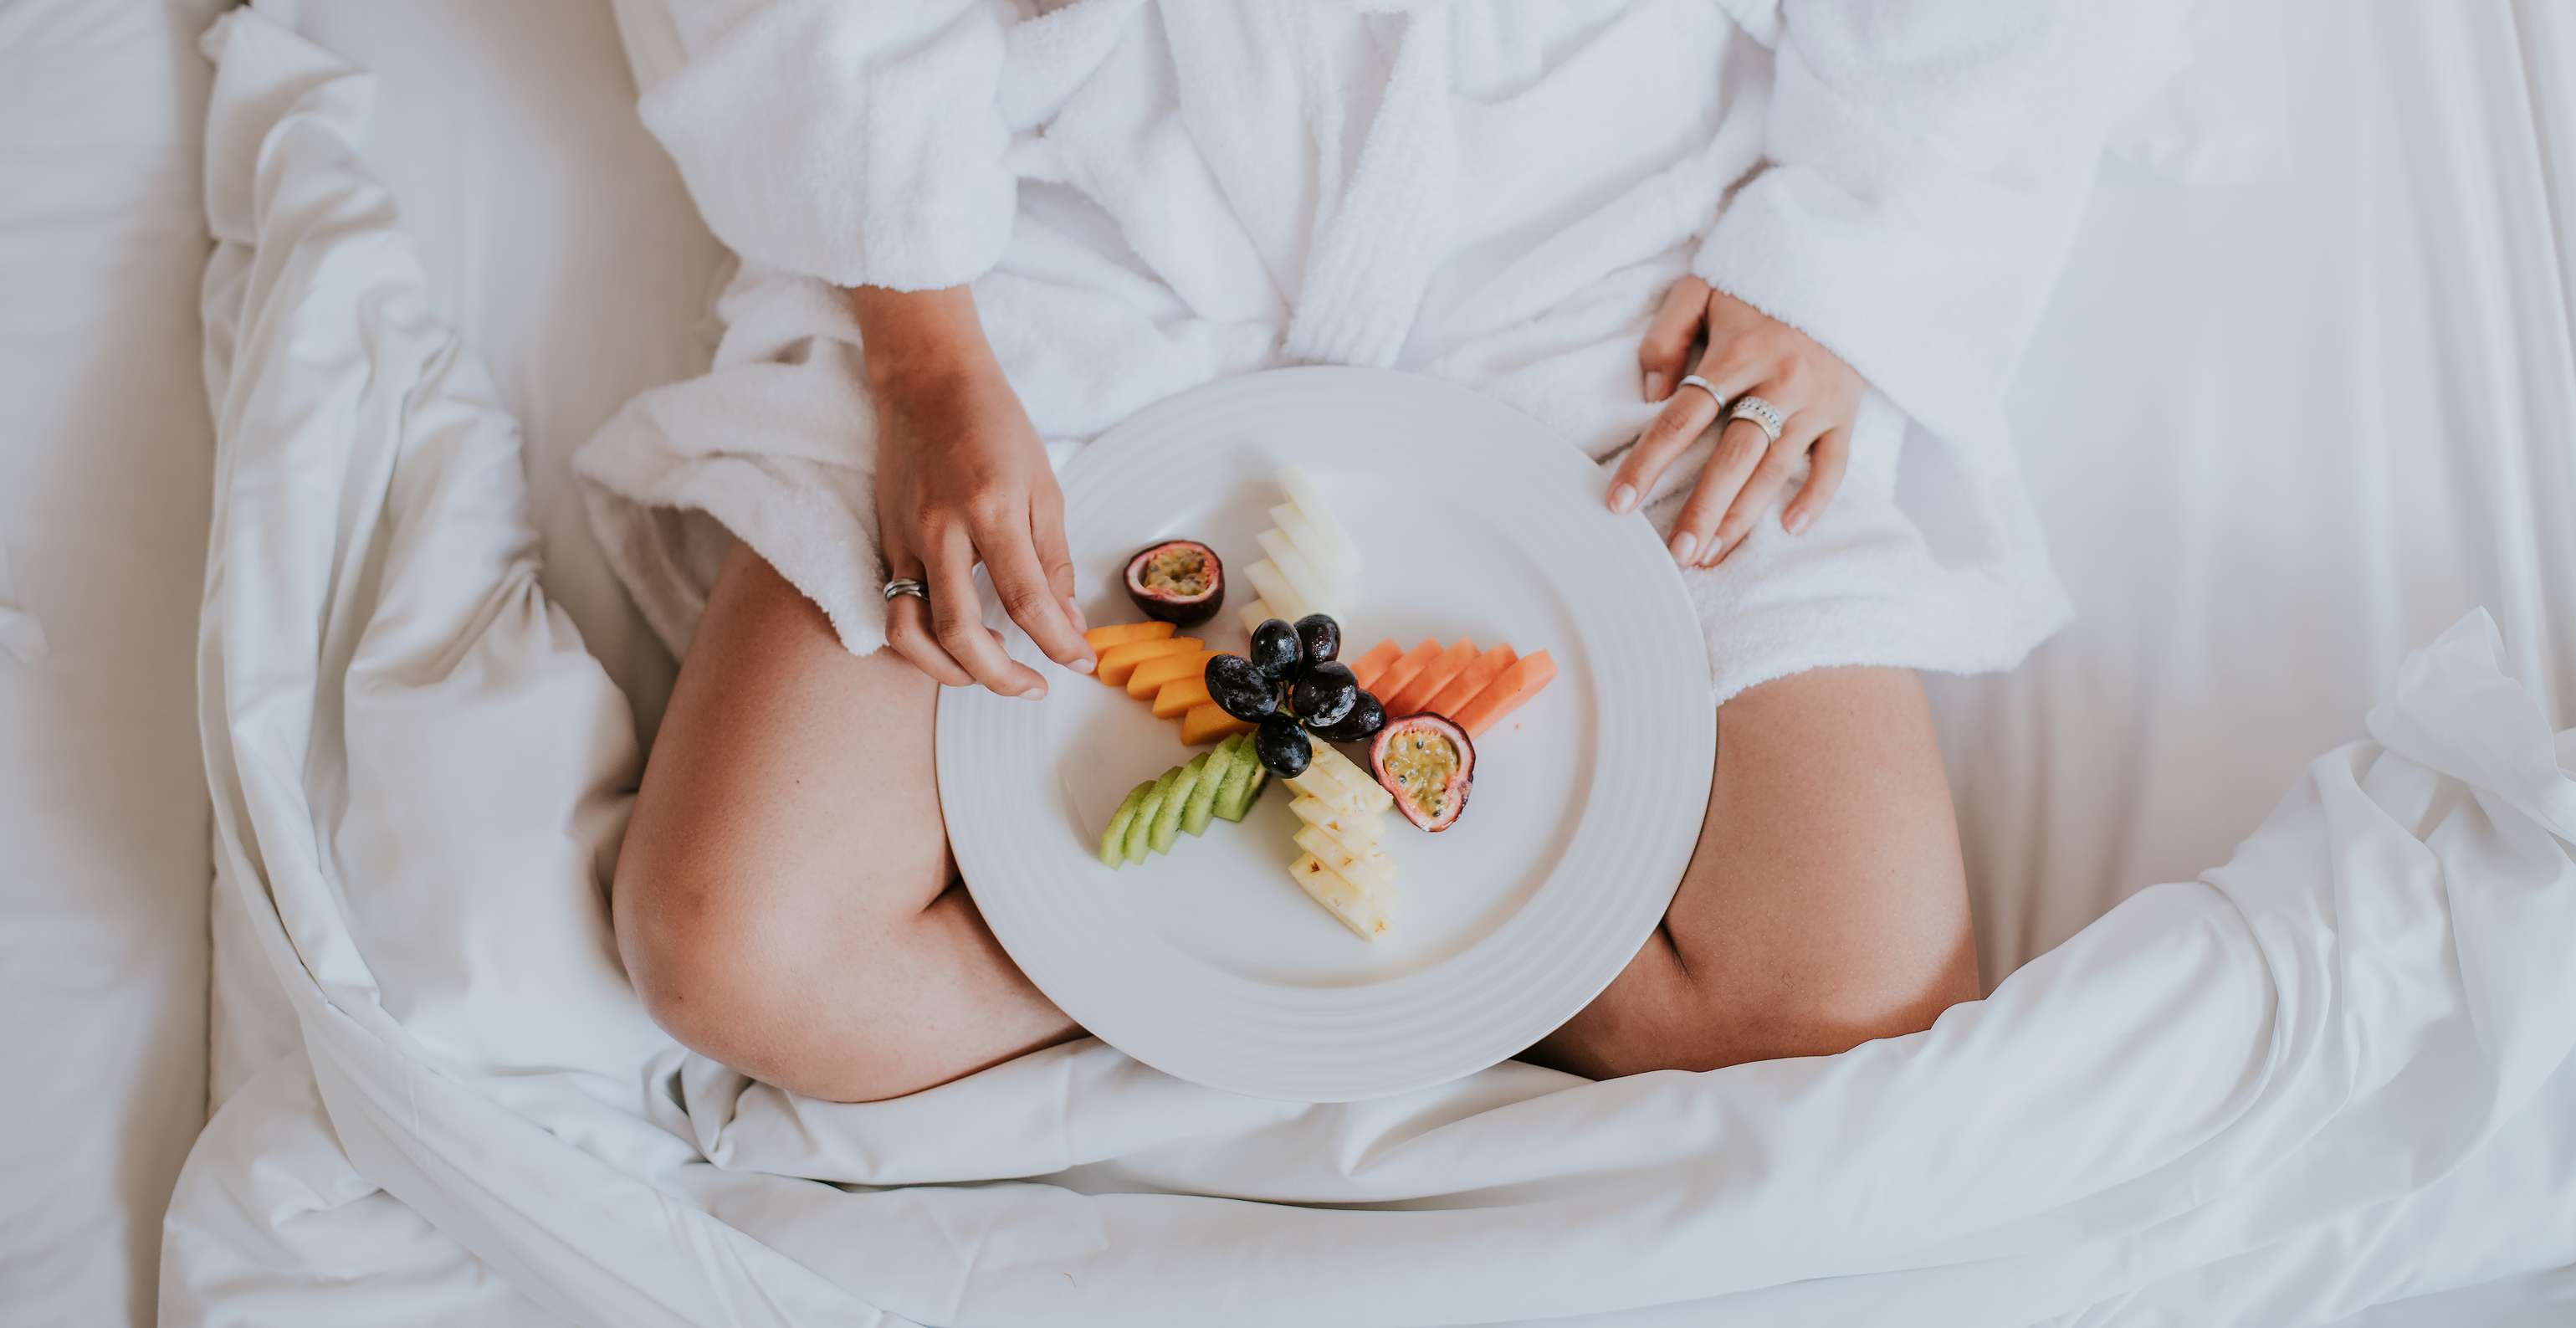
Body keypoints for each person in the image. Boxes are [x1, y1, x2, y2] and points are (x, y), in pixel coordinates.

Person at [604, 1, 2182, 1101]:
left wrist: (1857, 262)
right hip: (1066, 243)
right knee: (739, 951)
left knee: (1860, 1010)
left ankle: (1358, 964)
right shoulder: (984, 299)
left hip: (1606, 256)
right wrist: (923, 351)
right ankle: (1230, 978)